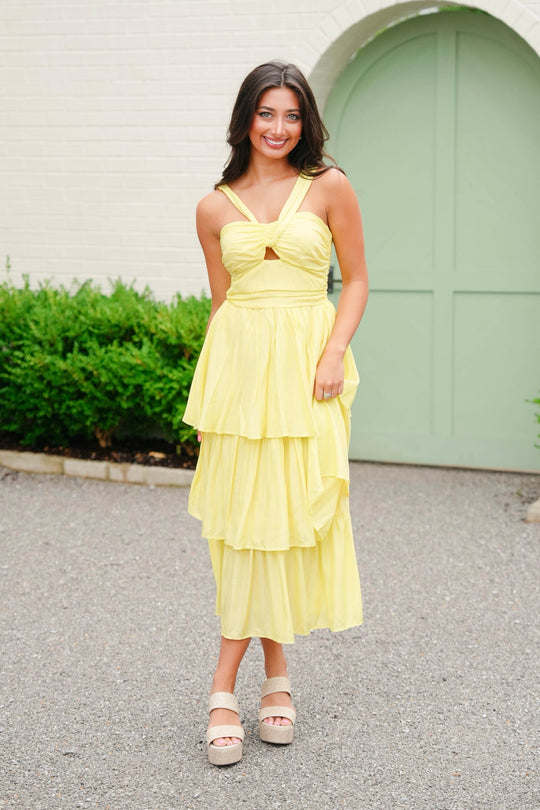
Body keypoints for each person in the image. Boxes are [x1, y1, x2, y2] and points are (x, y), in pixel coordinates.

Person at [183, 61, 368, 766]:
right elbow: (222, 308)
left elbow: (357, 280)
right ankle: (273, 680)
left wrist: (333, 350)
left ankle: (225, 684)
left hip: (308, 375)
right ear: (245, 120)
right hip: (239, 382)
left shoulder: (329, 187)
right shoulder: (212, 206)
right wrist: (211, 399)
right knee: (245, 528)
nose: (279, 128)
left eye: (291, 115)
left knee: (285, 523)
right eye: (267, 114)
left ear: (305, 121)